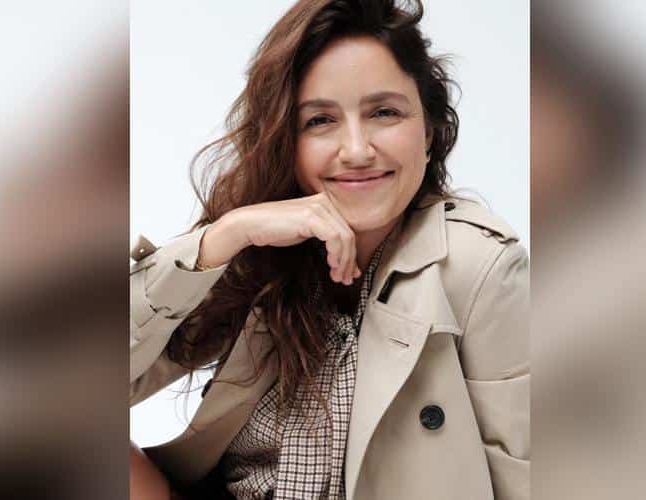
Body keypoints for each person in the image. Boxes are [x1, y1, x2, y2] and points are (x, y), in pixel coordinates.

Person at [130, 1, 528, 499]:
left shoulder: (478, 266)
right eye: (320, 120)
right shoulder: (257, 253)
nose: (357, 150)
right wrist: (225, 237)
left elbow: (524, 477)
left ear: (428, 131)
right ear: (285, 141)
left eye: (384, 112)